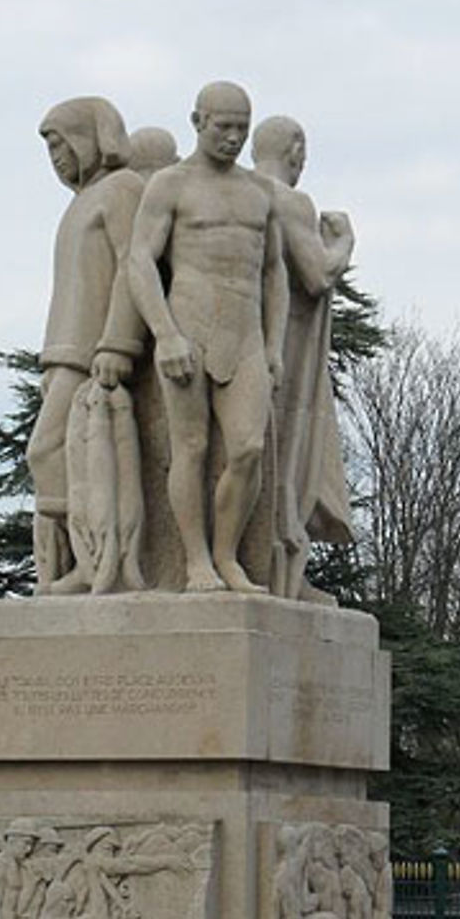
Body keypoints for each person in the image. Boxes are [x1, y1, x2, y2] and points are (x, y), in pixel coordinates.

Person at [129, 81, 288, 593]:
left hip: (244, 334)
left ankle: (227, 556)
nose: (234, 138)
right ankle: (196, 561)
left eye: (242, 127)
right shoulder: (170, 186)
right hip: (188, 326)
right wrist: (165, 334)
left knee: (247, 448)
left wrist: (273, 346)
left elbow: (274, 273)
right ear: (197, 121)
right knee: (190, 447)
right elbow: (140, 261)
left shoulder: (259, 192)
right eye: (224, 127)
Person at [27, 97, 146, 592]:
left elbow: (133, 266)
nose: (56, 157)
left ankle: (90, 565)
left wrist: (118, 343)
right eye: (49, 148)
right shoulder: (80, 202)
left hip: (93, 351)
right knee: (60, 455)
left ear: (87, 138)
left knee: (48, 450)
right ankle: (72, 567)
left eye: (60, 143)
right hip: (63, 349)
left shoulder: (122, 189)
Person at [251, 116, 355, 599]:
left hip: (243, 343)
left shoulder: (240, 192)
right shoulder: (289, 200)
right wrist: (343, 244)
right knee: (287, 455)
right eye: (303, 148)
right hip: (284, 347)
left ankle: (270, 566)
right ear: (293, 149)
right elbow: (316, 276)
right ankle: (278, 567)